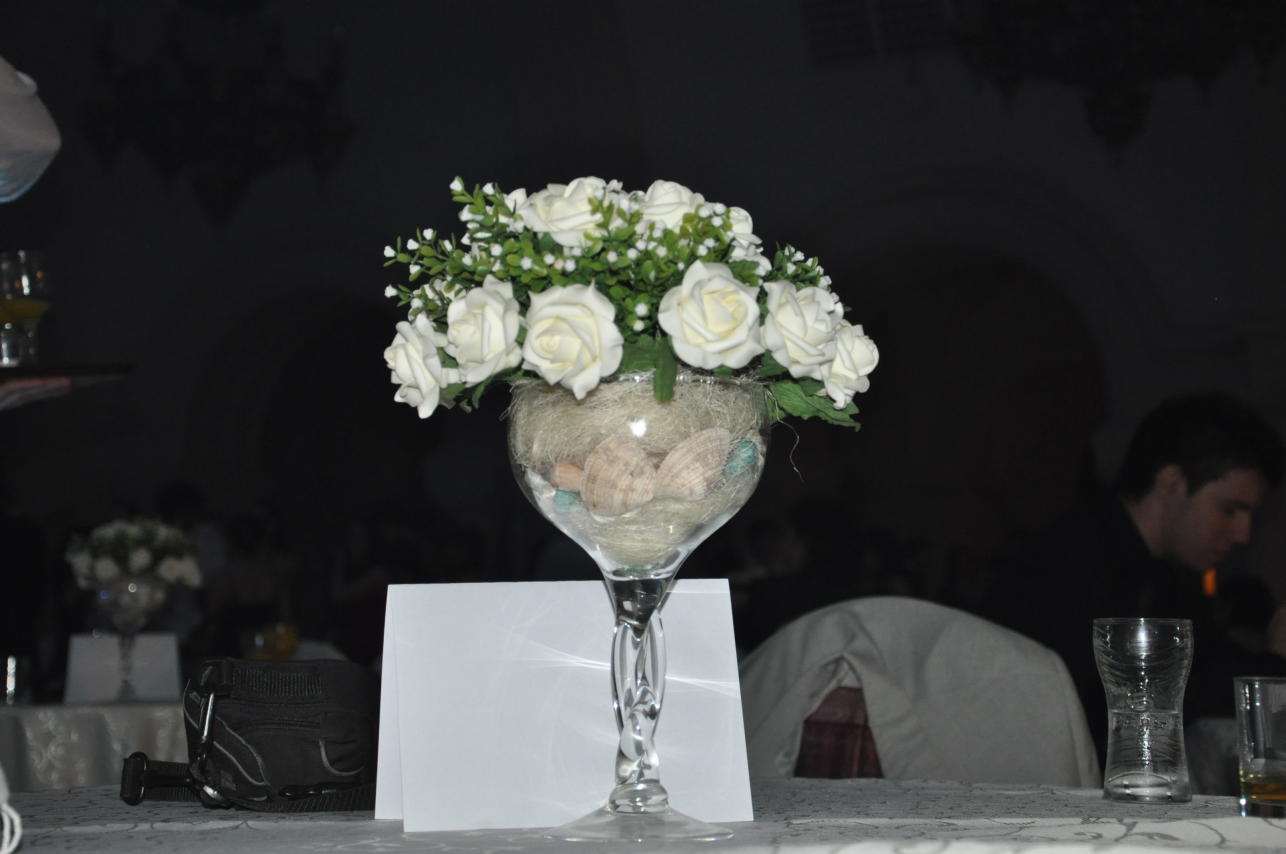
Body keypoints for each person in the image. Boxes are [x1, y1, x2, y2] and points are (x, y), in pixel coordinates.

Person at [985, 391, 1286, 759]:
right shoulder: (1075, 563)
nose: (1243, 534)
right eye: (1229, 510)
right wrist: (1274, 662)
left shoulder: (1164, 573)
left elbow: (1209, 664)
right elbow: (1158, 694)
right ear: (1171, 483)